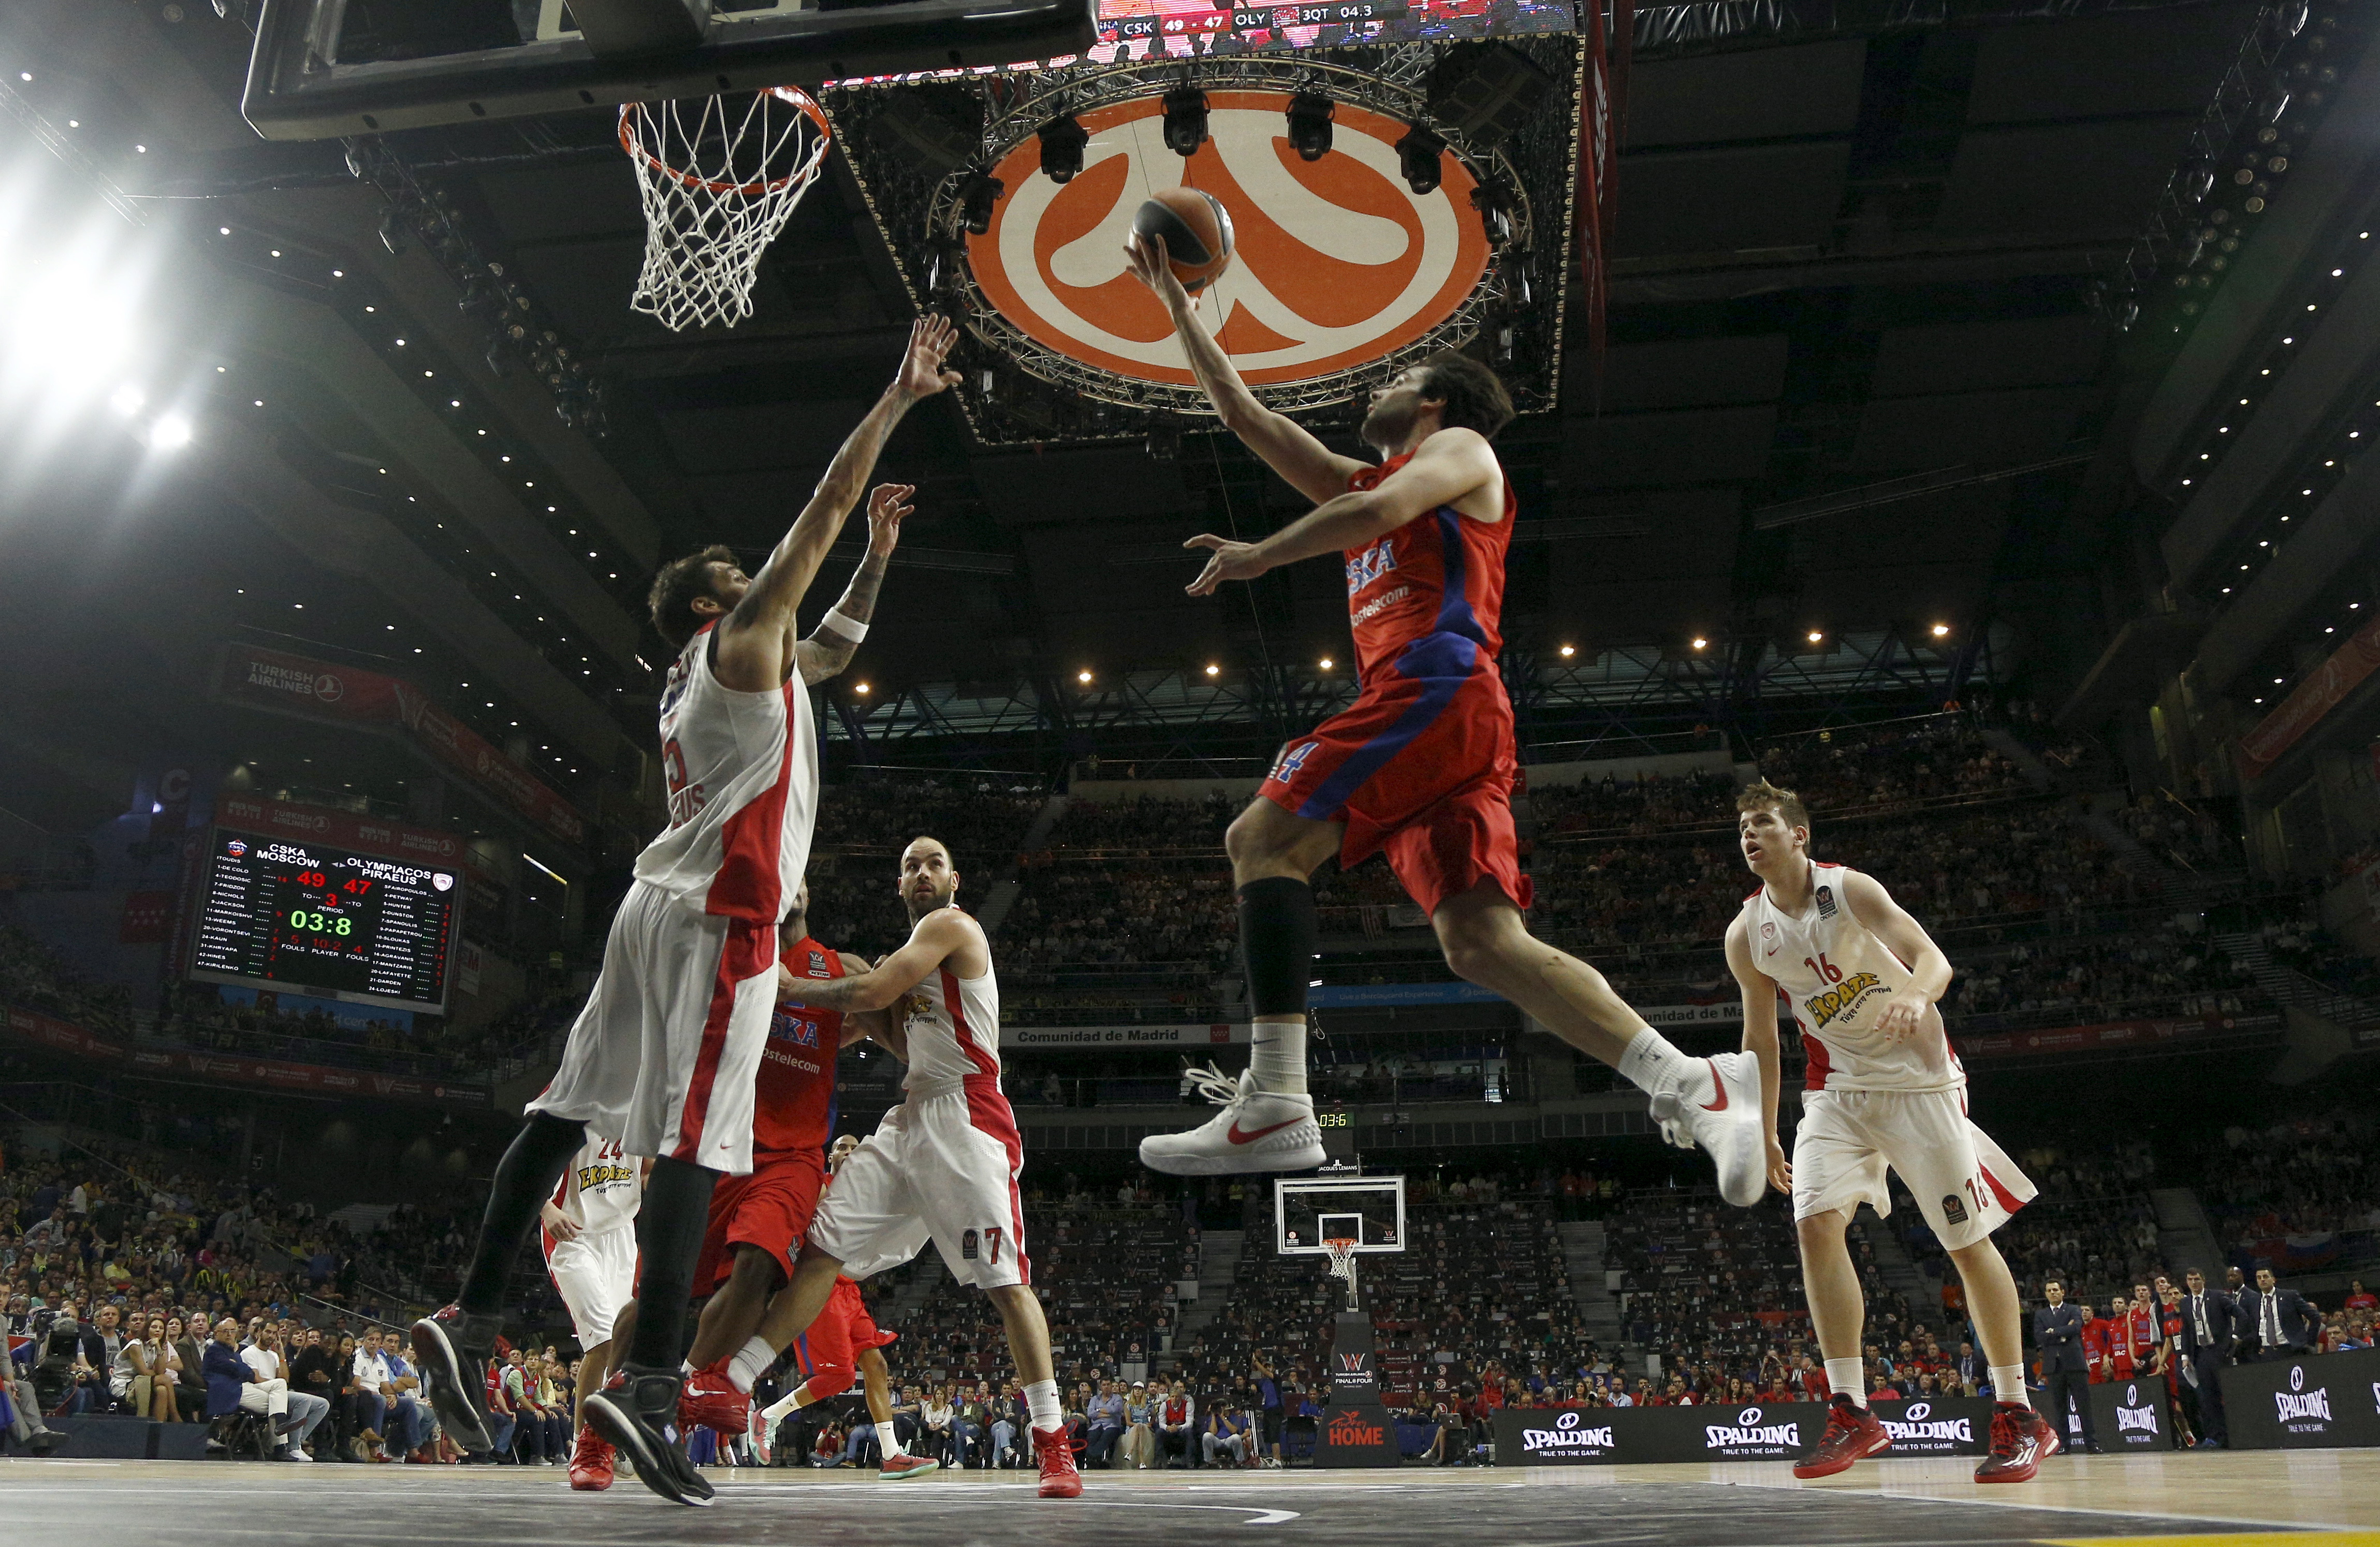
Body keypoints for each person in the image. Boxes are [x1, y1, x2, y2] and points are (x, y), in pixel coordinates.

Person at [409, 316, 956, 1509]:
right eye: (743, 571)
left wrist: (877, 552)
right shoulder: (744, 636)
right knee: (696, 1147)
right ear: (722, 596)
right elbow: (813, 514)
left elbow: (840, 639)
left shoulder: (730, 670)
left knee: (563, 1110)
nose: (763, 575)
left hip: (646, 908)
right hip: (721, 921)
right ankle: (649, 1383)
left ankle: (473, 1309)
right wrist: (898, 393)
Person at [1119, 235, 1763, 1201]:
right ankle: (1695, 1079)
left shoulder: (1461, 449)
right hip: (1451, 715)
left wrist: (1261, 553)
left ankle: (1279, 1099)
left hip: (1434, 684)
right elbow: (1246, 417)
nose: (1374, 387)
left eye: (1398, 376)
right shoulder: (1362, 481)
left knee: (1260, 836)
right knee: (1478, 943)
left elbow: (1376, 520)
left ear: (1431, 399)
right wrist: (1176, 303)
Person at [1724, 780, 2053, 1484]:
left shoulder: (1848, 891)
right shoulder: (1746, 934)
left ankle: (2021, 1413)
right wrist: (1763, 1130)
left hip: (1919, 1079)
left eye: (1762, 824)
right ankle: (1851, 1411)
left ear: (1798, 835)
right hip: (1836, 1090)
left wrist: (1912, 992)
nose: (1750, 836)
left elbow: (1933, 959)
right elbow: (1761, 1040)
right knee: (1813, 1222)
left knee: (1964, 1244)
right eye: (1743, 827)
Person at [764, 836, 1083, 1499]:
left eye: (934, 862)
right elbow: (873, 1021)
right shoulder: (910, 971)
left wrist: (792, 983)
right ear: (898, 885)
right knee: (818, 1247)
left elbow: (872, 987)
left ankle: (1053, 1443)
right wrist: (821, 1014)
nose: (922, 873)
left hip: (967, 1113)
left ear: (955, 880)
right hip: (913, 1115)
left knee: (1005, 1283)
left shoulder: (948, 926)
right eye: (910, 866)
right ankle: (732, 1382)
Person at [649, 888, 879, 1452]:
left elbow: (894, 1005)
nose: (786, 886)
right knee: (657, 1293)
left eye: (795, 875)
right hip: (722, 1141)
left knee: (761, 1263)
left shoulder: (839, 967)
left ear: (805, 889)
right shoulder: (728, 953)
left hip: (795, 1152)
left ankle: (685, 1388)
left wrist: (855, 1026)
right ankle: (603, 1432)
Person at [743, 1136, 936, 1480]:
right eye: (843, 1147)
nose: (849, 1152)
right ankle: (769, 1414)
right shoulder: (817, 1185)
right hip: (819, 1285)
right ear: (831, 1155)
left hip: (849, 1290)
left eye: (855, 1148)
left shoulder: (866, 1195)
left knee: (875, 1365)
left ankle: (892, 1456)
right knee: (842, 1376)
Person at [539, 1133, 644, 1490]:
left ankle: (610, 1437)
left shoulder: (650, 1100)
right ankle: (583, 1446)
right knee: (602, 1340)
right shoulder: (580, 1093)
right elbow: (527, 1161)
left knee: (620, 1346)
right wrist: (547, 1208)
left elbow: (651, 1170)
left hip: (621, 1234)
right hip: (573, 1234)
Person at [244, 1323, 328, 1462]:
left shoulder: (273, 1355)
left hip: (277, 1391)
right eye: (268, 1332)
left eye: (274, 1333)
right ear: (259, 1332)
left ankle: (295, 1442)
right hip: (258, 1391)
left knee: (322, 1404)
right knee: (303, 1400)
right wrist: (277, 1384)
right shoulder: (249, 1352)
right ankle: (293, 1448)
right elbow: (256, 1379)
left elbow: (285, 1380)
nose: (271, 1336)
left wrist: (282, 1355)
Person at [2035, 1278, 2098, 1455]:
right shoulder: (2041, 1314)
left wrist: (2053, 1332)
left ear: (2063, 1292)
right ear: (2046, 1294)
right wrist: (2063, 1331)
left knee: (2084, 1406)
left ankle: (2091, 1443)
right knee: (2059, 1408)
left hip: (2075, 1363)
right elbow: (2039, 1336)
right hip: (2054, 1366)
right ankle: (2063, 1444)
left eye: (2056, 1290)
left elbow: (2076, 1328)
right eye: (2050, 1290)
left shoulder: (2073, 1309)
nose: (2053, 1293)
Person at [2175, 1267, 2238, 1447]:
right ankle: (2217, 1437)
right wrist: (2185, 1356)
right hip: (2201, 1354)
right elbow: (2186, 1330)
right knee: (2208, 1399)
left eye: (2196, 1279)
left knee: (2226, 1393)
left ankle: (2234, 1434)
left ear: (2204, 1280)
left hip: (2219, 1351)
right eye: (2190, 1280)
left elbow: (2240, 1315)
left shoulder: (2218, 1296)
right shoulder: (2186, 1303)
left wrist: (2233, 1340)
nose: (2193, 1283)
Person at [2237, 1267, 2318, 1361]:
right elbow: (2254, 1326)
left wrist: (2309, 1342)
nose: (2262, 1280)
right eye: (2259, 1278)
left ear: (2273, 1280)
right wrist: (2256, 1346)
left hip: (2291, 1348)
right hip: (2267, 1351)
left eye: (2266, 1277)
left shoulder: (2289, 1296)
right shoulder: (2254, 1301)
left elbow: (2315, 1317)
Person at [1085, 1379, 1126, 1468]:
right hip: (1097, 1425)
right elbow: (1090, 1413)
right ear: (1100, 1387)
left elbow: (1116, 1409)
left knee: (1106, 1436)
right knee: (1092, 1436)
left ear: (1111, 1386)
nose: (1106, 1387)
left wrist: (1098, 1411)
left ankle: (1091, 1456)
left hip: (1113, 1426)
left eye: (1108, 1384)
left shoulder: (1117, 1398)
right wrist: (1107, 1414)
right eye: (1104, 1385)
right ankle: (1095, 1460)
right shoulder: (1095, 1399)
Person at [1157, 1379, 1195, 1467]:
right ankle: (1159, 1461)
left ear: (1181, 1397)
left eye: (1177, 1397)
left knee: (1189, 1431)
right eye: (1173, 1397)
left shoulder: (1187, 1405)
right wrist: (1168, 1428)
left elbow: (1189, 1423)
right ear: (1170, 1397)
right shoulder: (1165, 1405)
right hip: (1169, 1430)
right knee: (1159, 1432)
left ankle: (1190, 1461)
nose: (1175, 1399)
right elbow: (1161, 1423)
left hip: (1182, 1430)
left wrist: (1178, 1427)